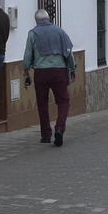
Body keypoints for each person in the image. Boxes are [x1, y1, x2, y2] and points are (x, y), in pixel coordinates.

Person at [22, 10, 75, 146]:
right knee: (63, 101)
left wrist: (26, 71)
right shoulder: (60, 32)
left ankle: (46, 135)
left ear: (36, 20)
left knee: (42, 103)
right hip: (59, 72)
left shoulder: (33, 33)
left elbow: (28, 54)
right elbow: (69, 51)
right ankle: (59, 128)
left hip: (41, 73)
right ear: (49, 18)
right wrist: (72, 69)